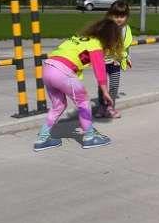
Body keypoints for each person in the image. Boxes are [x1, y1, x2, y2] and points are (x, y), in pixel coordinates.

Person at [33, 19, 121, 151]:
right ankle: (90, 137)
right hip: (63, 71)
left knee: (58, 105)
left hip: (47, 67)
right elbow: (100, 70)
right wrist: (105, 91)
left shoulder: (79, 37)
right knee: (83, 103)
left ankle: (42, 139)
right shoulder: (95, 44)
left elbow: (69, 55)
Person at [93, 1, 133, 119]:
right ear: (110, 15)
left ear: (126, 16)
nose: (119, 19)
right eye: (116, 16)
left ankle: (110, 108)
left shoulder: (126, 29)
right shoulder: (105, 28)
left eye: (122, 16)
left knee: (114, 87)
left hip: (115, 63)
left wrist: (126, 58)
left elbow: (126, 45)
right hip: (102, 62)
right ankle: (101, 106)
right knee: (102, 86)